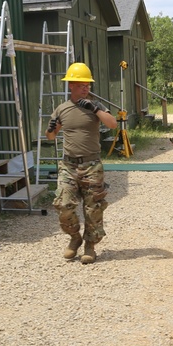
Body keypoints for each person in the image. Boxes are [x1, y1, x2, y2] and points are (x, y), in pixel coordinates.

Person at [46, 62, 117, 264]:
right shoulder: (62, 109)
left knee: (93, 208)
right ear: (71, 85)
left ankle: (90, 246)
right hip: (68, 165)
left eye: (88, 85)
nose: (86, 88)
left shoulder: (96, 107)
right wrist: (52, 128)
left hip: (91, 165)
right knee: (64, 205)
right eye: (81, 85)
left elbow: (112, 124)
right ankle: (75, 238)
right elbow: (50, 137)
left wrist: (94, 108)